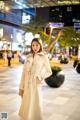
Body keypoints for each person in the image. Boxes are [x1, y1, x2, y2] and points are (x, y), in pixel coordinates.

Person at [18, 38, 52, 120]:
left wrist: (40, 77)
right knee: (26, 106)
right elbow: (23, 73)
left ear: (40, 45)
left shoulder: (44, 57)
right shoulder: (28, 57)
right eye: (33, 45)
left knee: (35, 106)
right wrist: (21, 87)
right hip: (26, 85)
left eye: (37, 45)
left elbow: (49, 71)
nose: (35, 47)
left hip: (36, 85)